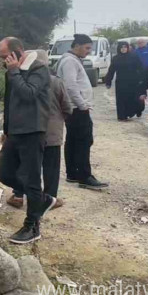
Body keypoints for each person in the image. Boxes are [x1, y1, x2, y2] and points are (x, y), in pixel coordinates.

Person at [0, 38, 57, 244]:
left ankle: (32, 227)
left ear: (17, 52)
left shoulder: (39, 69)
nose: (3, 61)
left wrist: (14, 71)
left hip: (33, 131)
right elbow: (9, 103)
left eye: (5, 57)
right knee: (4, 174)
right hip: (14, 132)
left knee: (31, 180)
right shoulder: (10, 72)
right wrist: (6, 129)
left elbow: (29, 94)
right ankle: (43, 199)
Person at [8, 50, 73, 210]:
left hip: (27, 132)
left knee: (25, 166)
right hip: (51, 134)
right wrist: (58, 119)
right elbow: (68, 108)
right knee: (51, 168)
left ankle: (18, 195)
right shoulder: (56, 82)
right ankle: (49, 199)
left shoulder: (20, 81)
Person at [57, 34, 110, 190]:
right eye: (87, 48)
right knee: (84, 141)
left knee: (73, 140)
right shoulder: (69, 61)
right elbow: (70, 86)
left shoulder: (72, 60)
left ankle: (72, 173)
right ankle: (84, 177)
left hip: (74, 108)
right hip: (76, 108)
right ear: (77, 46)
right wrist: (82, 105)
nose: (88, 51)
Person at [105, 41, 143, 121]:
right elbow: (111, 70)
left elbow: (140, 68)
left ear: (128, 48)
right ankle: (122, 116)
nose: (123, 49)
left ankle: (136, 110)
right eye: (121, 47)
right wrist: (108, 81)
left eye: (125, 47)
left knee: (133, 98)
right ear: (119, 48)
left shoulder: (134, 56)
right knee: (121, 99)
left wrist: (142, 79)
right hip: (121, 82)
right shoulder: (116, 58)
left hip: (133, 81)